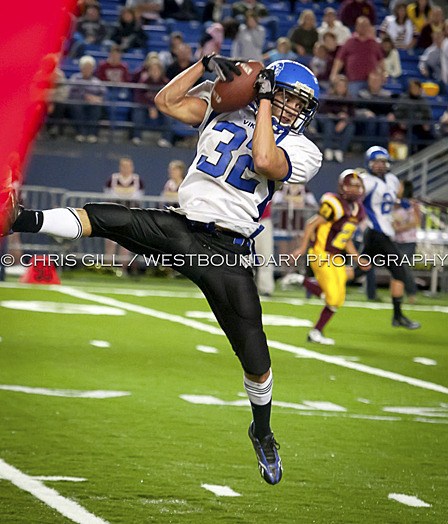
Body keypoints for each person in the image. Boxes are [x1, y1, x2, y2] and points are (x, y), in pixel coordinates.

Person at [3, 57, 323, 485]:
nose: (290, 108)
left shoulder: (305, 150)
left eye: (297, 103)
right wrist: (205, 66)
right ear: (272, 88)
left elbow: (265, 160)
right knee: (107, 217)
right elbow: (166, 100)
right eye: (285, 96)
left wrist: (262, 98)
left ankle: (262, 431)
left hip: (226, 252)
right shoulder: (227, 106)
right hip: (184, 228)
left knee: (255, 356)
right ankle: (16, 219)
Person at [291, 170, 368, 345]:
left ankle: (315, 332)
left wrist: (357, 258)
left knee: (338, 298)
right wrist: (302, 248)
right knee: (332, 296)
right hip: (320, 253)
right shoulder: (334, 204)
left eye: (358, 186)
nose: (356, 189)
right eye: (352, 186)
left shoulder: (358, 210)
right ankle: (303, 282)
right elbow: (311, 224)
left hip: (336, 256)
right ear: (343, 187)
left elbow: (345, 238)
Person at [358, 146, 421, 329]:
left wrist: (402, 202)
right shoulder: (366, 181)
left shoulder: (392, 180)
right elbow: (356, 198)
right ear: (369, 163)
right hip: (376, 232)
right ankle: (398, 316)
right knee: (399, 270)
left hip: (384, 233)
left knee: (362, 269)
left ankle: (317, 281)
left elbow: (390, 200)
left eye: (383, 162)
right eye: (376, 162)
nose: (380, 166)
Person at [104, 157, 144, 267]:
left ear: (132, 167)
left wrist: (121, 192)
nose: (126, 169)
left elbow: (137, 196)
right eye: (123, 166)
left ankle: (123, 270)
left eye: (128, 166)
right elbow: (109, 195)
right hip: (113, 215)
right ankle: (109, 269)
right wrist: (126, 192)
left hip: (129, 216)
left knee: (126, 244)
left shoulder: (137, 180)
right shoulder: (112, 179)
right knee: (110, 243)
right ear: (120, 167)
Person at [330, 16, 384, 94]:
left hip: (371, 82)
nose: (363, 28)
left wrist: (383, 73)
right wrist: (334, 73)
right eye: (361, 25)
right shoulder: (349, 42)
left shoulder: (374, 43)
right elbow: (339, 59)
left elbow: (381, 61)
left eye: (366, 26)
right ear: (356, 26)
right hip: (354, 81)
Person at [392, 180, 421, 303]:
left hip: (408, 241)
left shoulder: (413, 204)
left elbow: (416, 222)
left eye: (400, 186)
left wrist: (400, 227)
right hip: (396, 240)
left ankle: (411, 293)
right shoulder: (395, 203)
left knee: (404, 267)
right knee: (396, 267)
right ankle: (396, 294)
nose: (397, 188)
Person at [68, 55, 106, 143]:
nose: (88, 69)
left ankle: (92, 134)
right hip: (78, 102)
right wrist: (85, 96)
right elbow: (70, 92)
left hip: (92, 104)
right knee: (76, 107)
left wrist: (97, 98)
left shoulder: (97, 81)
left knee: (97, 107)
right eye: (85, 67)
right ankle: (80, 133)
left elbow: (104, 94)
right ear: (81, 68)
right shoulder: (75, 78)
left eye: (90, 67)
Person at [319, 74, 355, 163]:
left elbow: (352, 114)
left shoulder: (349, 99)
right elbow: (323, 111)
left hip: (343, 123)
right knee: (329, 124)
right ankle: (328, 149)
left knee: (351, 127)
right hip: (329, 120)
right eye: (339, 85)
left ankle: (340, 150)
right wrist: (338, 115)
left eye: (343, 86)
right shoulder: (329, 97)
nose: (341, 88)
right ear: (335, 86)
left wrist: (345, 120)